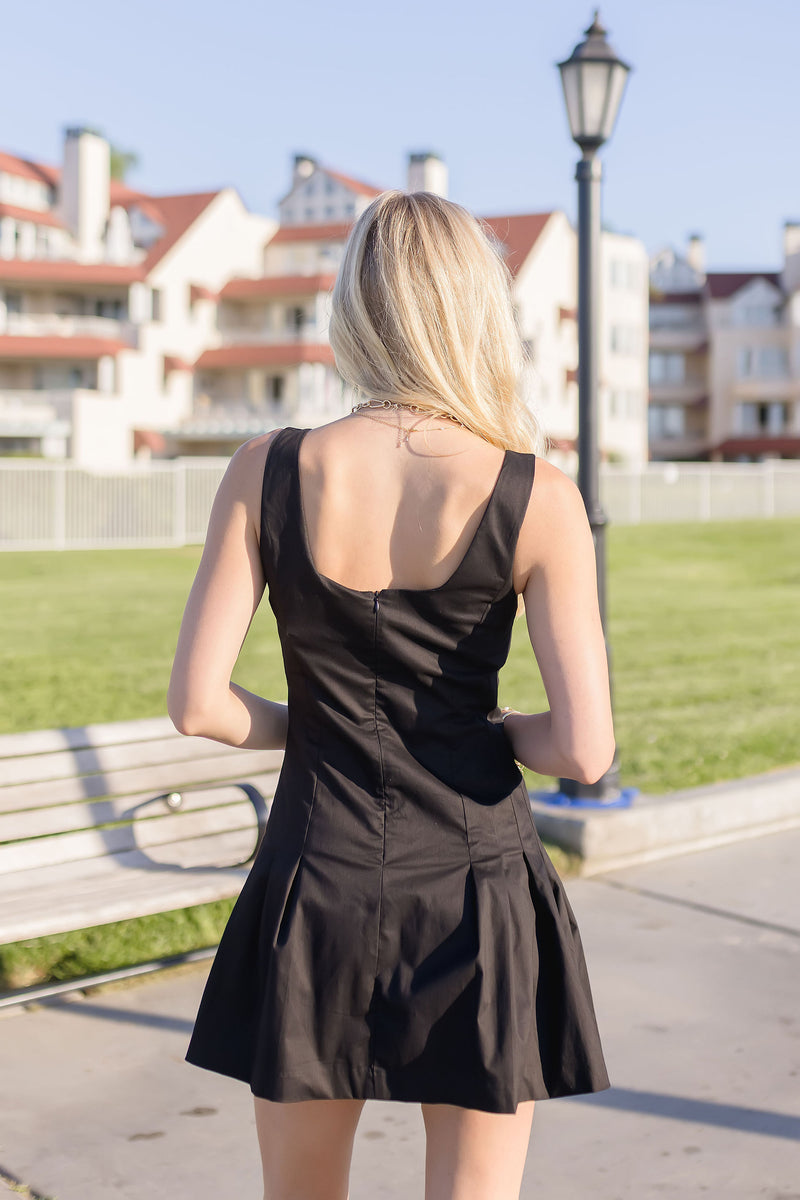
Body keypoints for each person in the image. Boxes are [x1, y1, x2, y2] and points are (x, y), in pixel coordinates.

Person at [168, 190, 615, 1200]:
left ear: (354, 305)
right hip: (475, 880)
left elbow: (198, 704)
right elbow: (584, 751)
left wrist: (321, 729)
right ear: (472, 309)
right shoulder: (534, 496)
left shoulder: (264, 470)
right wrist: (487, 726)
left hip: (312, 876)